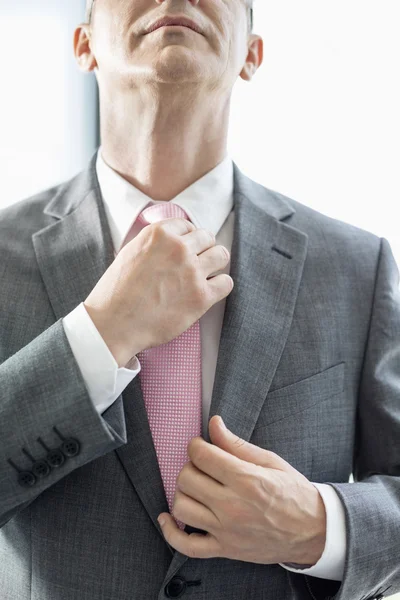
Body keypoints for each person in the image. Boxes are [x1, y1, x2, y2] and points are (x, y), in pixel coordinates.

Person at [0, 0, 399, 598]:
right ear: (82, 44)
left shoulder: (355, 267)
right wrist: (100, 333)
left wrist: (320, 526)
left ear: (251, 55)